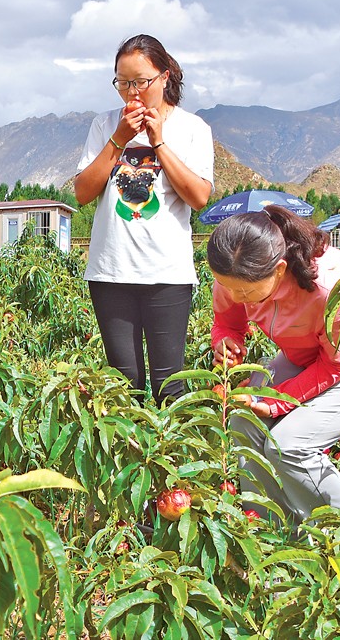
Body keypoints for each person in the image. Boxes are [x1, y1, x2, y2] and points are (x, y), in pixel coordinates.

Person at [208, 205, 340, 523]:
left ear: (279, 270)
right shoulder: (236, 277)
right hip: (309, 351)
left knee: (290, 445)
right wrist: (226, 340)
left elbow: (336, 365)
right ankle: (272, 531)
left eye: (246, 292)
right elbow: (229, 321)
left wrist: (274, 401)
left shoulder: (328, 289)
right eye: (229, 288)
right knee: (242, 420)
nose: (237, 298)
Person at [74, 34, 214, 403]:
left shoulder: (192, 128)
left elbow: (198, 196)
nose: (132, 92)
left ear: (165, 77)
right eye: (123, 83)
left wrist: (158, 142)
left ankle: (174, 456)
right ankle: (131, 459)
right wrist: (119, 138)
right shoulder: (105, 125)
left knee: (170, 384)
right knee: (123, 386)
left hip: (166, 273)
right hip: (111, 271)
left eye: (141, 82)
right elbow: (83, 192)